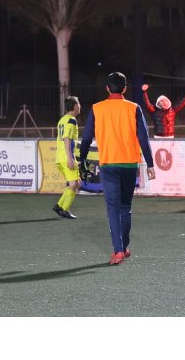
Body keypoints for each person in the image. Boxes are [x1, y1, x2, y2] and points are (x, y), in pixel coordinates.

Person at [79, 72, 156, 265]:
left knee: (113, 209)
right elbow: (143, 138)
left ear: (107, 88)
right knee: (125, 208)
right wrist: (150, 164)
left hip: (108, 164)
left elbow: (86, 138)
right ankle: (124, 246)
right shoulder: (134, 108)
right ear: (125, 88)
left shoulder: (97, 108)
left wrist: (82, 159)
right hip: (129, 165)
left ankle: (118, 250)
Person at [52, 96, 82, 219]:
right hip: (66, 157)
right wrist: (70, 159)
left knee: (75, 183)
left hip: (59, 157)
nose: (80, 106)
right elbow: (67, 139)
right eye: (78, 104)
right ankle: (64, 209)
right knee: (75, 184)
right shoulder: (71, 120)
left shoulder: (62, 120)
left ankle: (59, 206)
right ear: (75, 106)